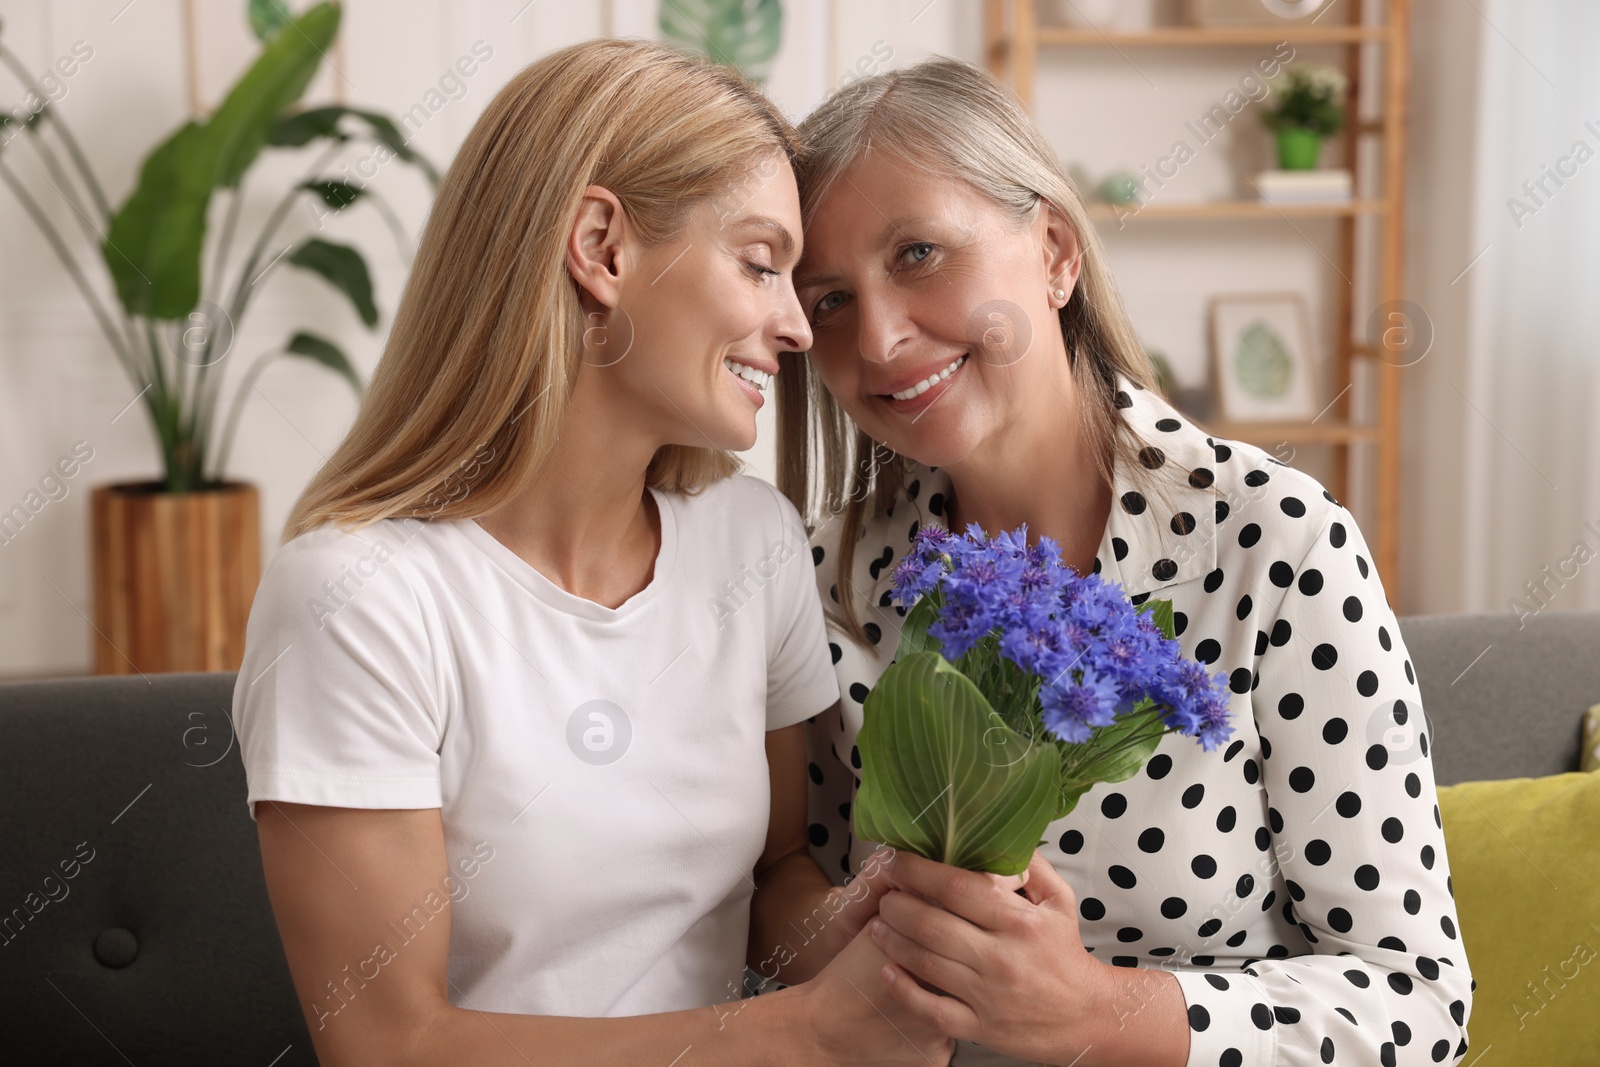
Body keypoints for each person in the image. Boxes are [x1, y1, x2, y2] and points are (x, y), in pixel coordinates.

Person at [234, 39, 950, 1067]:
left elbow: (774, 877)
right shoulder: (358, 595)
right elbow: (386, 1042)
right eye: (759, 263)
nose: (797, 327)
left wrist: (869, 930)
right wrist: (801, 1033)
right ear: (601, 246)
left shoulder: (750, 545)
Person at [780, 56, 1473, 1067]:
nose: (879, 339)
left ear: (1054, 251)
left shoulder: (1276, 545)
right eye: (830, 299)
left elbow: (1420, 1001)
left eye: (919, 253)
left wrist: (1098, 1012)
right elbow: (779, 880)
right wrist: (849, 931)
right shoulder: (818, 573)